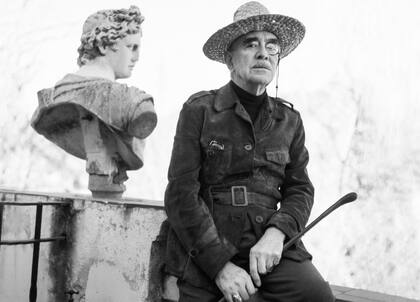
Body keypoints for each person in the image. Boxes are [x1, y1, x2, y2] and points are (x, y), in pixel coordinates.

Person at [163, 1, 334, 302]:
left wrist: (277, 234)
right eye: (250, 44)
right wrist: (220, 268)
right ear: (230, 59)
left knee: (316, 295)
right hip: (208, 247)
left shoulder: (289, 121)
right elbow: (181, 196)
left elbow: (300, 189)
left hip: (269, 248)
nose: (263, 53)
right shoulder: (200, 111)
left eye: (272, 46)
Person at [32, 5, 156, 190]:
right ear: (104, 45)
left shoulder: (52, 97)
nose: (137, 56)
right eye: (131, 47)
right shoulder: (132, 102)